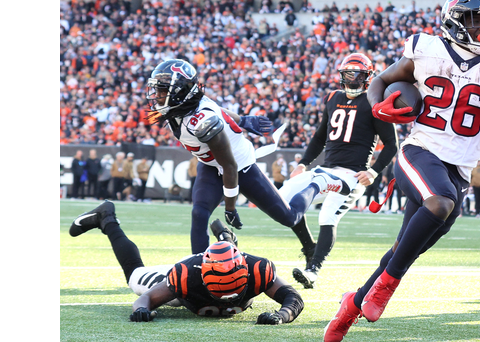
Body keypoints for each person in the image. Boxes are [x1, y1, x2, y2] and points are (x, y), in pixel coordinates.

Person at [322, 0, 480, 342]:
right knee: (440, 203)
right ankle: (388, 287)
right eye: (474, 18)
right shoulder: (426, 48)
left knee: (407, 243)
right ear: (455, 19)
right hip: (420, 151)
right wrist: (377, 107)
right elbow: (383, 81)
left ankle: (352, 304)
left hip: (459, 169)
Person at [145, 59, 351, 254]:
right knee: (199, 214)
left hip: (240, 167)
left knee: (288, 217)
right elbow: (218, 109)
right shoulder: (185, 107)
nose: (157, 95)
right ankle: (197, 270)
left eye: (162, 90)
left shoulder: (201, 122)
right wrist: (242, 120)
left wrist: (230, 206)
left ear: (180, 92)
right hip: (212, 165)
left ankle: (318, 184)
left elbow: (230, 166)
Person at [68, 201, 303, 324]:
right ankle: (106, 217)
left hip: (222, 261)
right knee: (135, 277)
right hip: (185, 294)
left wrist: (281, 315)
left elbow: (294, 298)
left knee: (225, 257)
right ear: (203, 278)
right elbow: (146, 298)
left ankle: (226, 241)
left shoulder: (257, 269)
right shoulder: (185, 275)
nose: (226, 298)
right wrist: (141, 310)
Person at [282, 53, 398, 289]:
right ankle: (309, 246)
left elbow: (392, 144)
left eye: (358, 74)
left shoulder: (374, 101)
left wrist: (374, 172)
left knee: (327, 216)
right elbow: (319, 136)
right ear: (341, 75)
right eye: (348, 73)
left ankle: (313, 269)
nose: (352, 79)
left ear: (368, 77)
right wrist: (304, 162)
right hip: (325, 169)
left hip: (352, 175)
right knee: (283, 199)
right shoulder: (333, 98)